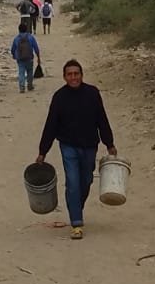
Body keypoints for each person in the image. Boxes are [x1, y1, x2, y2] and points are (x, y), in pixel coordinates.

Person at [35, 59, 118, 239]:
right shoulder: (59, 97)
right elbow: (50, 126)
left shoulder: (93, 94)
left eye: (76, 73)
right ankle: (77, 223)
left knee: (86, 180)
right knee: (73, 182)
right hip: (68, 146)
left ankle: (76, 206)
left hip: (89, 146)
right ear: (64, 77)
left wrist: (109, 143)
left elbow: (102, 120)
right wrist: (43, 151)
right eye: (69, 74)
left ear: (81, 75)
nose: (73, 77)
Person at [10, 19, 41, 93]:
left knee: (21, 73)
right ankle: (30, 85)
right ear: (26, 29)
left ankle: (22, 87)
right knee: (30, 72)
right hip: (29, 57)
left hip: (20, 58)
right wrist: (38, 57)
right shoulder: (30, 37)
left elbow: (13, 48)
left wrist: (14, 55)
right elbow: (36, 47)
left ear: (19, 30)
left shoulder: (16, 38)